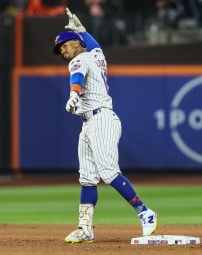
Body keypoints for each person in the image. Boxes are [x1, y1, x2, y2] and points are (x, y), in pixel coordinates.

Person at [52, 8, 158, 243]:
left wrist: (74, 95)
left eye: (65, 46)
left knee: (109, 172)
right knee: (87, 178)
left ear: (77, 44)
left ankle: (145, 212)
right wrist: (83, 31)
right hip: (90, 123)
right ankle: (85, 228)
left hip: (101, 120)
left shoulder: (79, 60)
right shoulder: (97, 56)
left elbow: (77, 79)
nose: (63, 51)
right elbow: (95, 45)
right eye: (60, 50)